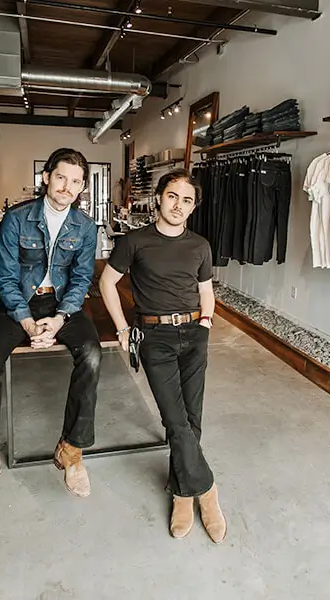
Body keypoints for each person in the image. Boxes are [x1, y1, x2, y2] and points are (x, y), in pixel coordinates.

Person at [0, 148, 101, 517]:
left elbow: (82, 278)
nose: (67, 187)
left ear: (83, 186)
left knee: (92, 355)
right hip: (18, 303)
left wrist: (60, 319)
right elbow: (4, 276)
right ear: (46, 178)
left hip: (63, 307)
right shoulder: (17, 218)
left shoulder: (85, 227)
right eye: (61, 177)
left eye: (75, 181)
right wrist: (25, 320)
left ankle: (72, 450)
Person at [99, 169, 227, 543]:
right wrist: (123, 328)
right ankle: (208, 491)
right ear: (158, 197)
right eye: (172, 196)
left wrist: (205, 324)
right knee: (175, 420)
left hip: (194, 334)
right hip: (154, 336)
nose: (178, 205)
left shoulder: (200, 245)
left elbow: (206, 291)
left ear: (193, 206)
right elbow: (107, 282)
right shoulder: (135, 241)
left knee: (192, 418)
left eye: (187, 200)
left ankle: (182, 493)